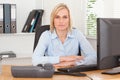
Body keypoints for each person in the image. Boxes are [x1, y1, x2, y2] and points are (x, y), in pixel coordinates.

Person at [32, 3, 97, 68]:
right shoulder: (46, 35)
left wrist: (73, 63)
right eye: (57, 17)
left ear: (69, 20)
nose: (61, 21)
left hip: (72, 74)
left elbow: (94, 58)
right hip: (53, 74)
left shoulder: (77, 34)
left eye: (65, 17)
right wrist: (63, 59)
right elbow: (35, 60)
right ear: (53, 20)